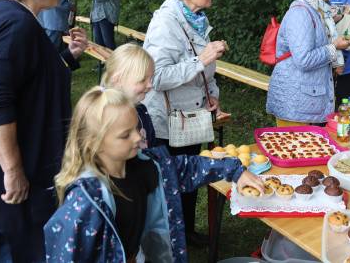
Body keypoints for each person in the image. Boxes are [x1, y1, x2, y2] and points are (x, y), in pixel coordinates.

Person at [44, 87, 263, 263]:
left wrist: (234, 171)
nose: (138, 137)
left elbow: (189, 167)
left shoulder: (150, 165)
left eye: (136, 127)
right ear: (95, 143)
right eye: (125, 135)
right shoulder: (85, 202)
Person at [0, 0, 88, 262]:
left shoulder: (6, 16)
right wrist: (12, 169)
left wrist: (67, 58)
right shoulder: (16, 26)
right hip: (9, 190)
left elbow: (26, 80)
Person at [142, 0, 228, 246]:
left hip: (192, 117)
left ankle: (186, 231)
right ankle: (166, 241)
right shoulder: (166, 23)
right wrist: (201, 58)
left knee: (190, 178)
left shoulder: (197, 20)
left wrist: (212, 95)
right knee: (170, 183)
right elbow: (156, 76)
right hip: (168, 123)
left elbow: (204, 70)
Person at [266, 0, 350, 126]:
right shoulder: (300, 13)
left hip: (305, 104)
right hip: (296, 108)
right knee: (294, 151)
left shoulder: (316, 11)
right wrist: (334, 47)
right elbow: (304, 59)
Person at [101, 43, 157, 148]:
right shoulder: (108, 119)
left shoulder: (140, 109)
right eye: (142, 80)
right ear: (118, 80)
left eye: (151, 78)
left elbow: (153, 147)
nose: (150, 85)